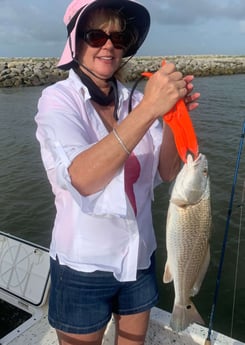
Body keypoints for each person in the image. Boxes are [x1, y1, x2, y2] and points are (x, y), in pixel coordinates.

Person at [35, 0, 200, 344]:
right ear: (76, 42)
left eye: (118, 37)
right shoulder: (58, 100)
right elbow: (82, 177)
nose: (108, 45)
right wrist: (151, 108)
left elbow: (168, 171)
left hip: (139, 259)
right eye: (96, 35)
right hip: (83, 267)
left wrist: (172, 116)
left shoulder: (135, 102)